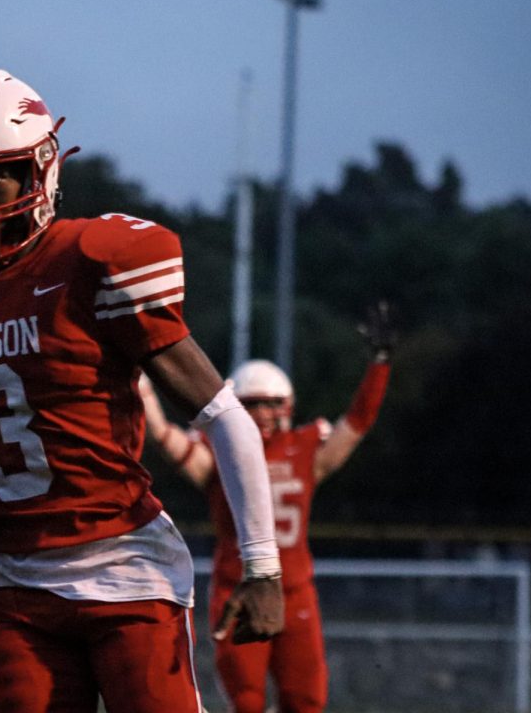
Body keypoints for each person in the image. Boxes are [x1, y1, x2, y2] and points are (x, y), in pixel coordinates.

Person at [0, 68, 284, 713]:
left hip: (122, 562)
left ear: (39, 169)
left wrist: (262, 567)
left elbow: (223, 414)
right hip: (5, 578)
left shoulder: (95, 260)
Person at [139, 303, 394, 713]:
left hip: (296, 592)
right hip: (235, 587)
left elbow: (357, 423)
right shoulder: (217, 455)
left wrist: (379, 366)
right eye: (254, 403)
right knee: (247, 702)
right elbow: (162, 433)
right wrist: (142, 378)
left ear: (289, 405)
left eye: (273, 403)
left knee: (305, 701)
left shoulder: (306, 451)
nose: (265, 413)